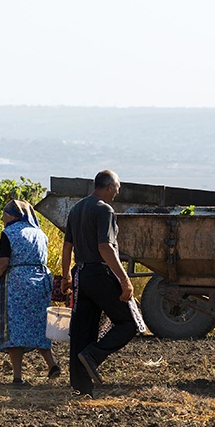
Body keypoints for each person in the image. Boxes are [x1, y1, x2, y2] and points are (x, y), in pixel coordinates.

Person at [60, 170, 137, 397]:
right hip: (98, 273)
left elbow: (67, 247)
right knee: (128, 322)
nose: (118, 191)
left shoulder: (77, 209)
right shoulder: (104, 210)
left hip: (80, 274)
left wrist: (66, 277)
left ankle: (81, 387)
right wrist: (124, 279)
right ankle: (94, 355)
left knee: (82, 329)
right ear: (109, 186)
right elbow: (106, 247)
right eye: (117, 187)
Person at [0, 199, 60, 386]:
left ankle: (17, 377)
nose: (2, 218)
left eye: (5, 214)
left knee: (14, 328)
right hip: (40, 281)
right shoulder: (40, 233)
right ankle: (52, 364)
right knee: (39, 325)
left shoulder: (8, 233)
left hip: (17, 283)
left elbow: (3, 262)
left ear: (15, 215)